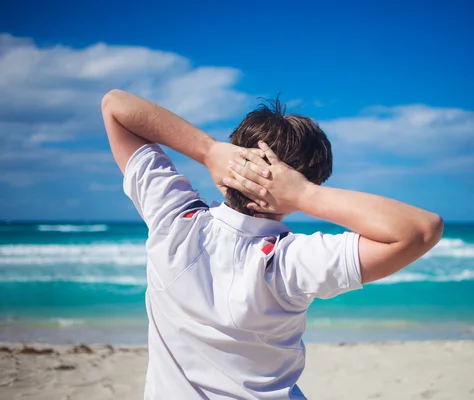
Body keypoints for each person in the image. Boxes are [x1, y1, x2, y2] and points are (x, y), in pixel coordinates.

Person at [101, 89, 444, 399]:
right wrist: (304, 194)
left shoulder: (173, 221)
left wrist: (208, 151)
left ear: (234, 154)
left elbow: (116, 105)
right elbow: (422, 229)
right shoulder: (289, 261)